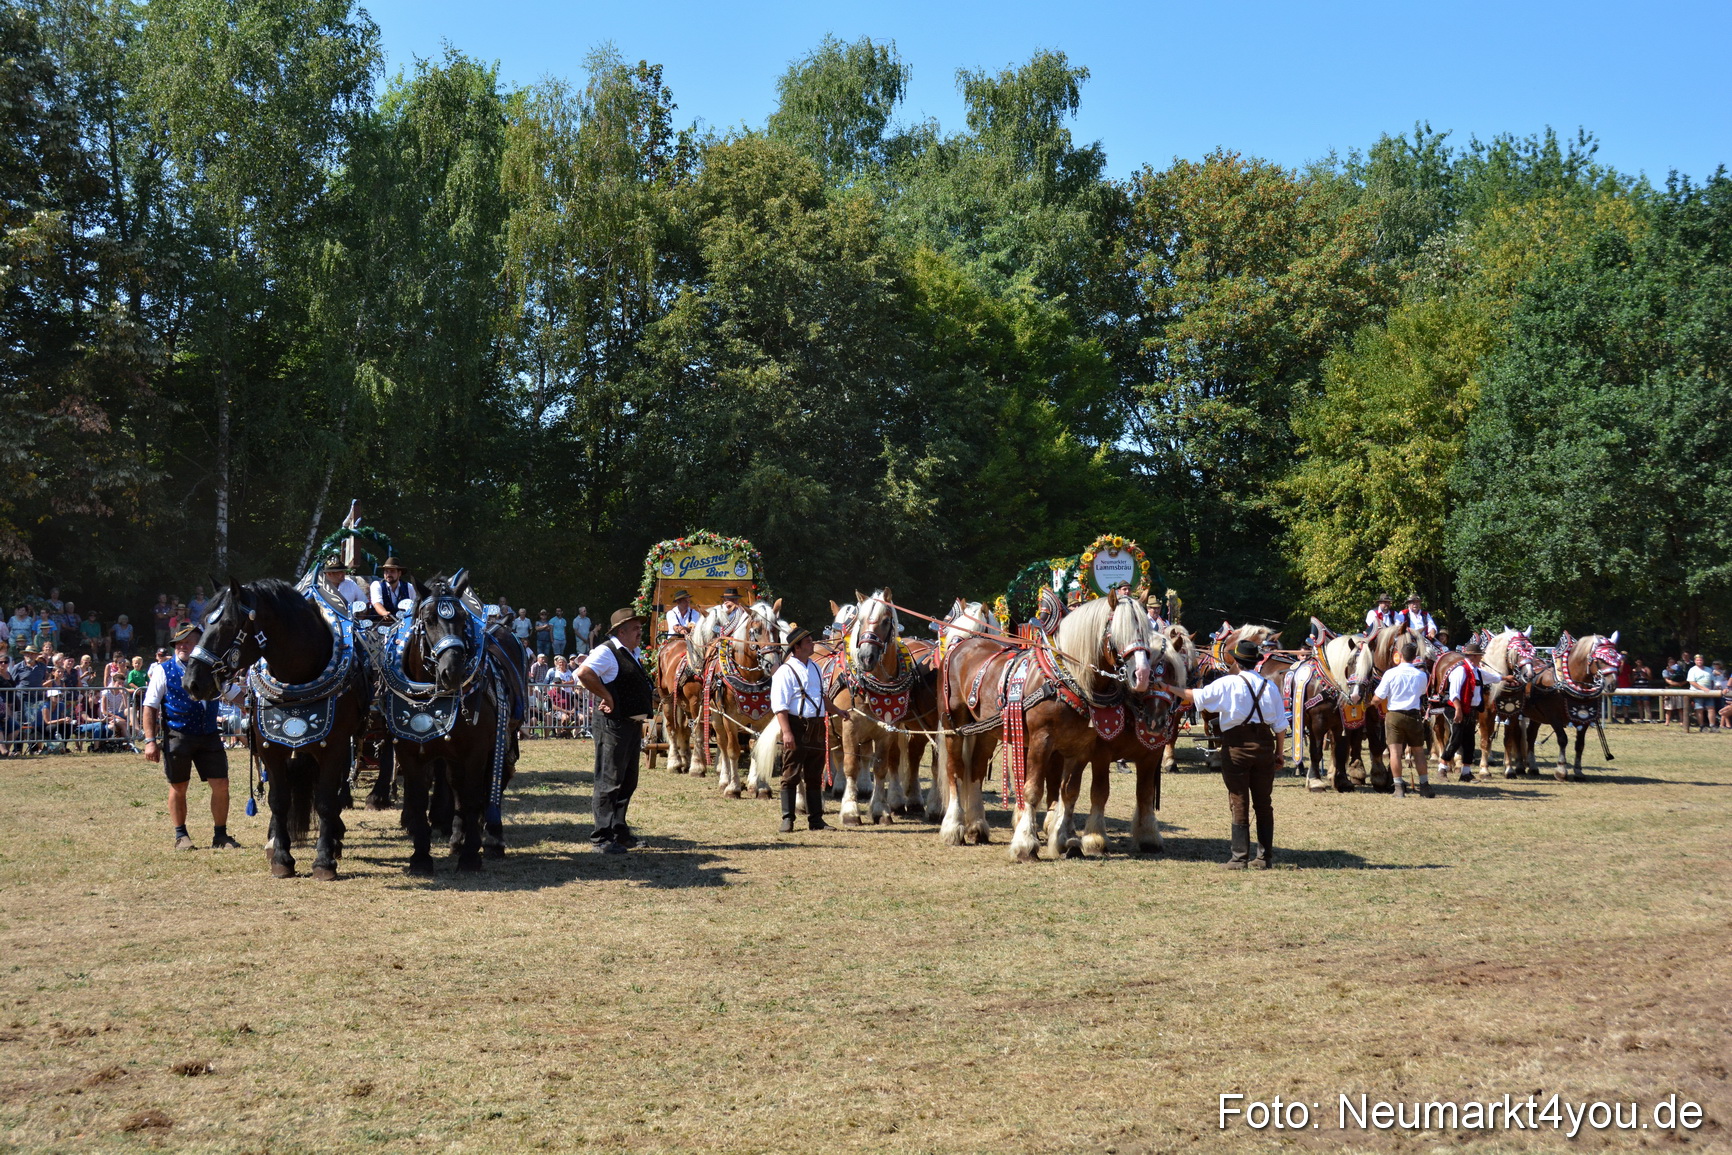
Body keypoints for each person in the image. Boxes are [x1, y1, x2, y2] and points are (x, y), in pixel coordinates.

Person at [1169, 637, 1289, 868]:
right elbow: (1281, 726)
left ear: (1236, 660)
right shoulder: (1270, 686)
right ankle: (1264, 857)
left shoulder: (1228, 684)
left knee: (1239, 800)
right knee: (1264, 803)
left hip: (1236, 747)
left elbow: (1196, 696)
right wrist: (1280, 753)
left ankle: (1239, 857)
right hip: (1265, 746)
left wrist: (1167, 687)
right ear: (1256, 662)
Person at [141, 622, 240, 851]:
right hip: (178, 735)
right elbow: (150, 706)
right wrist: (150, 741)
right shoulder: (163, 670)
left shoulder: (215, 669)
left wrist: (261, 702)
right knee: (179, 786)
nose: (182, 647)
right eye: (178, 643)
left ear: (200, 645)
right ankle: (181, 836)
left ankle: (221, 836)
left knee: (221, 784)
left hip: (208, 735)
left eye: (188, 642)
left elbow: (236, 696)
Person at [576, 608, 653, 854]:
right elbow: (584, 673)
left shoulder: (631, 652)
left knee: (628, 781)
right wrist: (607, 696)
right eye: (635, 628)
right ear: (622, 631)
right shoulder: (607, 651)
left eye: (640, 627)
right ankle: (602, 838)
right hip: (613, 726)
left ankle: (619, 832)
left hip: (630, 725)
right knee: (609, 781)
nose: (640, 631)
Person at [770, 627, 840, 833]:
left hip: (817, 725)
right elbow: (780, 706)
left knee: (814, 775)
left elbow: (822, 697)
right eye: (809, 642)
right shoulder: (785, 671)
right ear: (797, 647)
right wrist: (787, 732)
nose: (813, 644)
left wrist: (838, 711)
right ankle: (788, 818)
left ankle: (816, 820)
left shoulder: (816, 668)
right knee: (790, 774)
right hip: (796, 725)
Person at [1374, 639, 1433, 796]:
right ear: (1415, 657)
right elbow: (1421, 693)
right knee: (1419, 752)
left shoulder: (1390, 673)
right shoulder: (1421, 675)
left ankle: (1398, 787)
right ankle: (1425, 786)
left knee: (1395, 753)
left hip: (1394, 715)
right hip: (1413, 714)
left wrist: (1369, 704)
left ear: (1399, 655)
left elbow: (1379, 697)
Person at [1440, 640, 1502, 781]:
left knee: (1469, 742)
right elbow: (1454, 693)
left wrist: (1504, 678)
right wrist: (1458, 710)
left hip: (1469, 710)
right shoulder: (1460, 670)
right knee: (1455, 739)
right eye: (1480, 655)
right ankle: (1442, 768)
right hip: (1456, 709)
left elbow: (1490, 677)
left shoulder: (1476, 671)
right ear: (1473, 656)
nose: (1481, 658)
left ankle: (1466, 772)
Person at [1685, 654, 1714, 732]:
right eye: (1697, 660)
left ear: (1703, 661)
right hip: (1697, 692)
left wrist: (1712, 689)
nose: (1699, 661)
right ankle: (1701, 726)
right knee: (1699, 709)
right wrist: (1703, 688)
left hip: (1709, 692)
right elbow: (1692, 682)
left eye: (1700, 660)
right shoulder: (1692, 670)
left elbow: (1712, 681)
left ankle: (1712, 726)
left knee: (1711, 708)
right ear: (1695, 661)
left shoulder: (1708, 669)